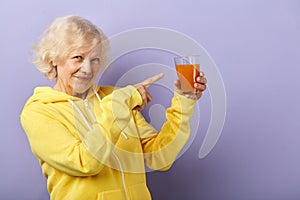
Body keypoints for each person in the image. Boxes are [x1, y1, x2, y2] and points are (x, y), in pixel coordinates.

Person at [20, 15, 207, 200]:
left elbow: (160, 158)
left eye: (95, 59)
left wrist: (183, 103)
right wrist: (121, 102)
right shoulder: (38, 112)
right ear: (54, 59)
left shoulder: (114, 98)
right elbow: (84, 162)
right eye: (78, 57)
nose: (87, 69)